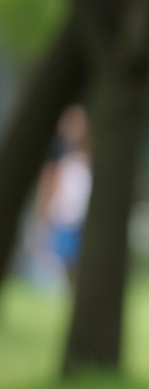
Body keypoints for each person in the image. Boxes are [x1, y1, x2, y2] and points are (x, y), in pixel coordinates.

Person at [35, 106, 92, 286]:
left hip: (81, 214)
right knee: (66, 258)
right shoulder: (58, 154)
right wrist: (44, 210)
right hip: (64, 213)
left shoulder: (89, 153)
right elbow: (49, 182)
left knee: (79, 258)